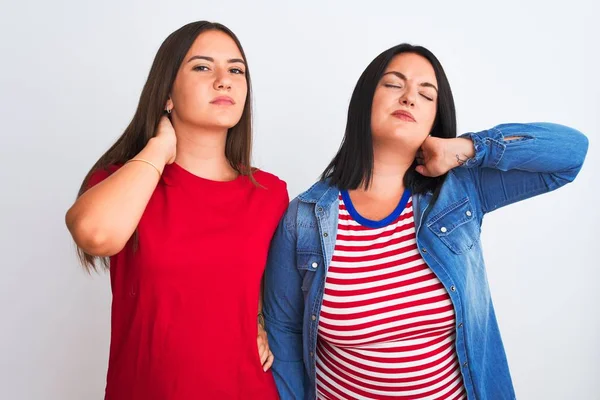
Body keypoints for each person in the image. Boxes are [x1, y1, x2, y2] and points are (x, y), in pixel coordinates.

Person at [263, 43, 588, 400]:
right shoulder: (304, 218)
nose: (409, 98)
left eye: (426, 93)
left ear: (436, 117)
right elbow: (285, 331)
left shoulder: (460, 192)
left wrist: (469, 147)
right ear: (364, 100)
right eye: (393, 84)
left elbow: (570, 154)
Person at [65, 21, 288, 400]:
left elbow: (270, 294)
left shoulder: (270, 193)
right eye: (203, 67)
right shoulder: (123, 181)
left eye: (236, 70)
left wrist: (258, 321)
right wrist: (159, 148)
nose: (224, 80)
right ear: (167, 91)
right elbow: (95, 235)